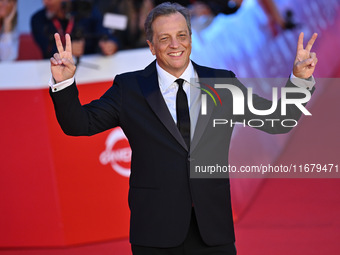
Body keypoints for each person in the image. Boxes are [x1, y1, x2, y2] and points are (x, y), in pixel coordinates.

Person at [48, 2, 318, 254]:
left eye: (181, 35)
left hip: (213, 231)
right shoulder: (129, 89)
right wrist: (64, 84)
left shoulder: (221, 83)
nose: (175, 45)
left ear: (191, 39)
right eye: (164, 38)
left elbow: (278, 119)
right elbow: (79, 124)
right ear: (151, 46)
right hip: (154, 233)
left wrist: (300, 80)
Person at [31, 0, 119, 59]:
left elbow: (105, 33)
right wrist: (66, 50)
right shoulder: (38, 19)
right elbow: (46, 49)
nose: (45, 3)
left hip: (91, 67)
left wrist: (111, 45)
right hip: (55, 70)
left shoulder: (86, 10)